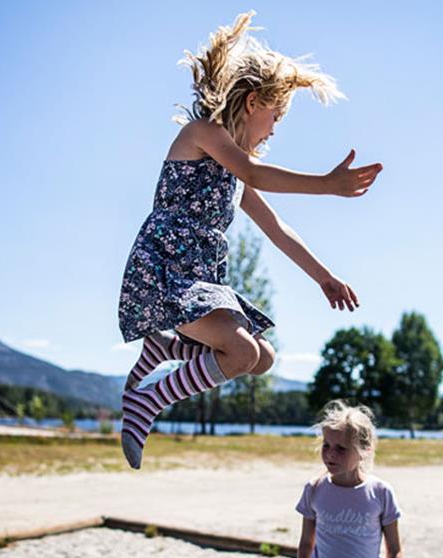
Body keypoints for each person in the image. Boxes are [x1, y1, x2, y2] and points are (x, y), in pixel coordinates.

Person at [117, 11, 382, 468]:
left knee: (262, 359)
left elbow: (277, 228)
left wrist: (325, 278)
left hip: (200, 278)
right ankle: (148, 400)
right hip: (166, 269)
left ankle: (167, 348)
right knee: (240, 351)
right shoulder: (204, 135)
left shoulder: (235, 171)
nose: (275, 128)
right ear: (254, 101)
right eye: (275, 116)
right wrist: (328, 184)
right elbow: (256, 170)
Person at [275, 400, 404, 558]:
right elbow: (306, 544)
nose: (330, 455)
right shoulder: (314, 489)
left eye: (341, 449)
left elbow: (394, 552)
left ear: (365, 450)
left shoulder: (381, 492)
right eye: (326, 445)